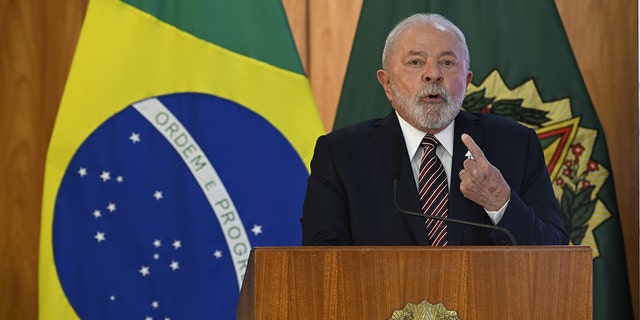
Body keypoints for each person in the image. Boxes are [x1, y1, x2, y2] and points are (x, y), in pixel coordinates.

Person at [301, 13, 568, 246]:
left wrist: (500, 202)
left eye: (447, 63)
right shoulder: (342, 154)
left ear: (466, 81)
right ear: (387, 84)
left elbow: (555, 252)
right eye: (415, 62)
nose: (433, 74)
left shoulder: (517, 145)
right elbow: (322, 264)